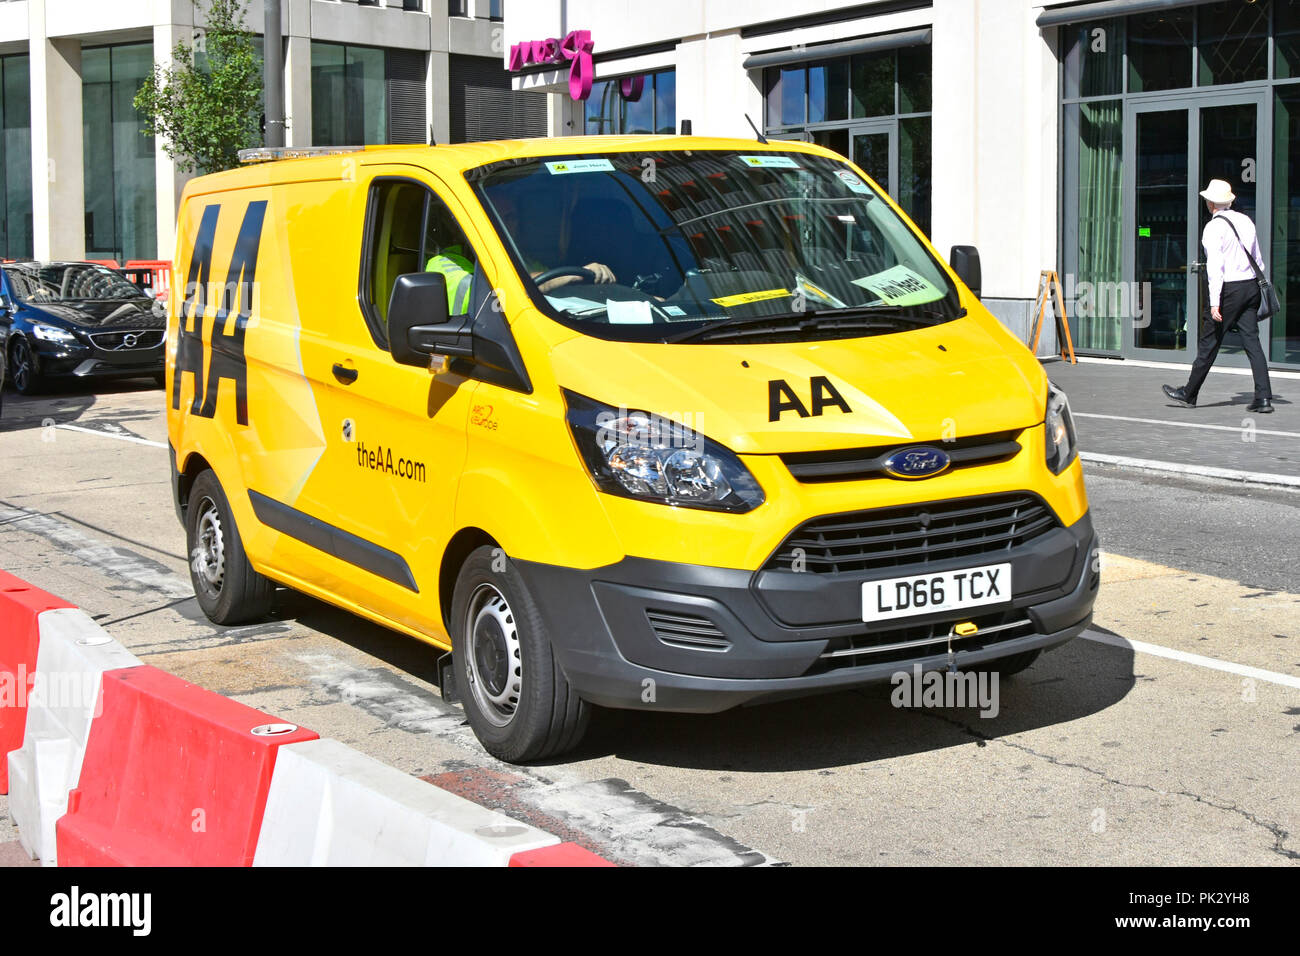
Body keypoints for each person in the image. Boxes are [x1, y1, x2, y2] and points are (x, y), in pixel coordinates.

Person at [1162, 179, 1273, 414]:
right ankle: (1263, 398)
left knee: (1209, 341)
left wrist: (1214, 302)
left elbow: (1215, 267)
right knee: (1252, 342)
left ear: (1211, 203)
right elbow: (1258, 258)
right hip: (1250, 286)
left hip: (1228, 291)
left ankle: (1189, 393)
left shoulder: (1213, 227)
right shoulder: (1245, 220)